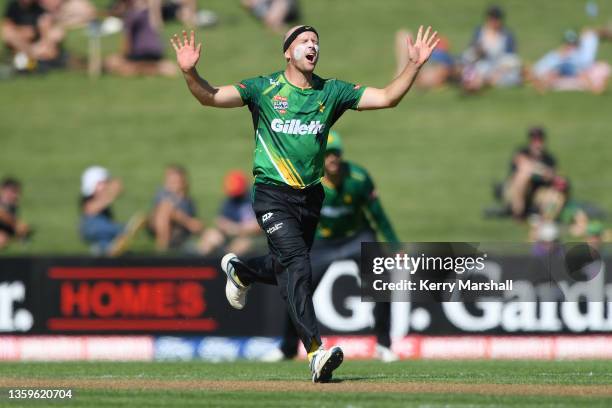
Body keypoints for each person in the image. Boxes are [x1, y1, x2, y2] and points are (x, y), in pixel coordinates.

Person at [170, 24, 439, 382]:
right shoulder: (263, 89)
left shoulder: (332, 92)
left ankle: (243, 271)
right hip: (272, 194)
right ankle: (315, 351)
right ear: (287, 52)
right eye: (304, 41)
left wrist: (413, 66)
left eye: (316, 42)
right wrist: (190, 71)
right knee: (298, 265)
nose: (312, 46)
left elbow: (388, 97)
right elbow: (210, 96)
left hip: (310, 198)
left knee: (286, 267)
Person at [261, 131, 400, 363]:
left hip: (357, 237)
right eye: (327, 154)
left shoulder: (358, 178)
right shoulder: (304, 180)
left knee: (381, 282)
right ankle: (287, 347)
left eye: (336, 154)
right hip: (322, 242)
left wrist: (394, 246)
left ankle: (384, 345)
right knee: (298, 288)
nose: (332, 159)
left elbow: (377, 214)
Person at [79, 166, 145, 256]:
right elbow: (90, 209)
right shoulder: (88, 199)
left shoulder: (103, 201)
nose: (107, 185)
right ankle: (125, 231)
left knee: (107, 241)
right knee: (111, 228)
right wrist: (111, 194)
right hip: (92, 226)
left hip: (103, 234)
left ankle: (112, 248)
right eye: (104, 182)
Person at [105, 0, 176, 77]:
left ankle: (155, 68)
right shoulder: (145, 12)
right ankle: (159, 66)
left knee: (112, 62)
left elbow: (127, 43)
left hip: (142, 51)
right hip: (157, 50)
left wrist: (122, 56)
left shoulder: (130, 15)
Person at [199, 170, 262, 256]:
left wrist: (235, 229)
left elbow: (259, 226)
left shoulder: (256, 198)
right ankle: (201, 265)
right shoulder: (230, 199)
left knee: (241, 245)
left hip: (253, 238)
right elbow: (220, 221)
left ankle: (228, 267)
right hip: (231, 235)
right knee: (210, 236)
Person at [460, 5, 521, 92]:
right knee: (473, 68)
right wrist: (479, 51)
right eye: (492, 19)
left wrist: (500, 70)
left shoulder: (507, 35)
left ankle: (480, 82)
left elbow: (511, 58)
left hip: (500, 67)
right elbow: (470, 52)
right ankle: (474, 83)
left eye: (496, 19)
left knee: (513, 77)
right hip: (481, 63)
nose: (494, 22)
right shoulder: (479, 32)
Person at [530, 29, 610, 94]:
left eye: (573, 44)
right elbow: (544, 66)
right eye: (569, 44)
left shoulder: (579, 54)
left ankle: (594, 88)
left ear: (576, 44)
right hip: (563, 69)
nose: (570, 46)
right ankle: (542, 87)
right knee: (555, 72)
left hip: (575, 70)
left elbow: (583, 65)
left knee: (581, 73)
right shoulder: (558, 54)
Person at [504, 127, 557, 219]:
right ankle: (518, 211)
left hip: (538, 191)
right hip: (518, 190)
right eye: (534, 140)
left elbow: (550, 176)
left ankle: (544, 222)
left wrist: (539, 171)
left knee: (554, 196)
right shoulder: (522, 152)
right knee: (524, 173)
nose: (537, 143)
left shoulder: (548, 158)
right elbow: (521, 164)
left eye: (539, 140)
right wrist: (539, 170)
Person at [148, 164, 203, 252]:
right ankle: (162, 250)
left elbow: (197, 224)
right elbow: (165, 209)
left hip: (183, 235)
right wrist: (188, 222)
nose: (172, 184)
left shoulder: (188, 201)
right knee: (164, 211)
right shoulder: (163, 194)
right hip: (165, 231)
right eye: (170, 181)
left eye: (176, 181)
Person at [2, 0, 67, 72]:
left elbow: (46, 25)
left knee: (56, 34)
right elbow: (7, 26)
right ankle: (34, 58)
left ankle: (33, 59)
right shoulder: (13, 6)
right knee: (9, 34)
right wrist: (22, 31)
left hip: (37, 43)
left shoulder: (39, 6)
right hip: (21, 42)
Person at [0, 177, 32, 250]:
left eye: (18, 193)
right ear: (3, 190)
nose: (16, 196)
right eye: (13, 192)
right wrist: (16, 224)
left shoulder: (12, 207)